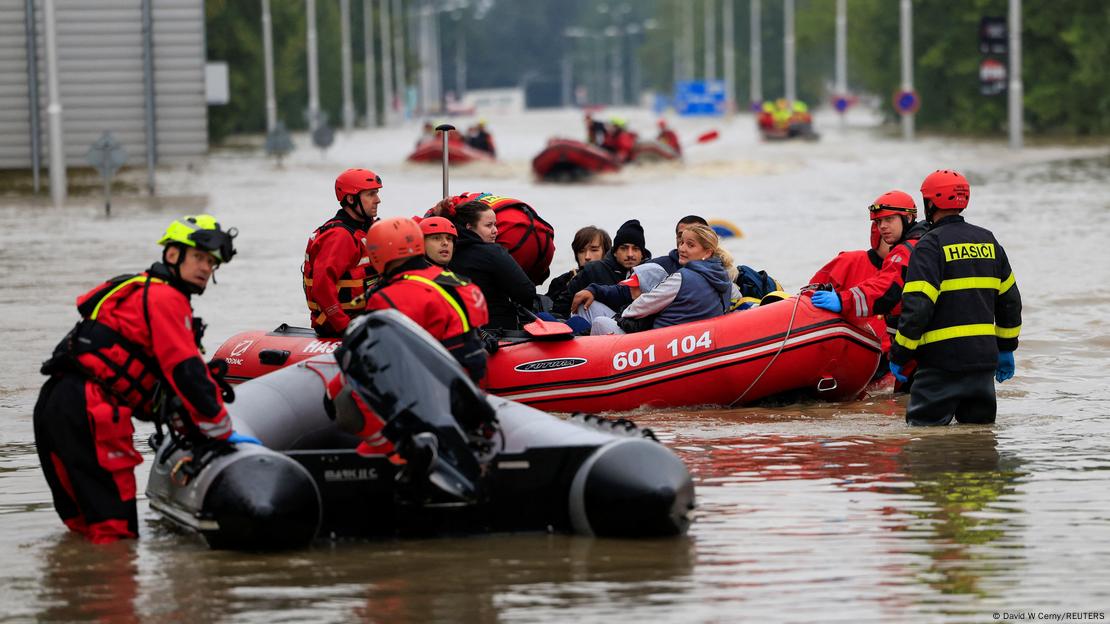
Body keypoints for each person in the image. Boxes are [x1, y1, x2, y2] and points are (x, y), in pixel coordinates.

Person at [33, 215, 256, 543]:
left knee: (84, 529)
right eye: (198, 257)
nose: (206, 268)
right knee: (115, 533)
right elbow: (186, 372)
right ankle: (116, 592)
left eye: (211, 262)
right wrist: (222, 429)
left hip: (53, 403)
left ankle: (79, 588)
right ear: (172, 255)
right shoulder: (167, 299)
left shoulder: (136, 289)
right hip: (91, 409)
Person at [889, 169, 1022, 426]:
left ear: (930, 203)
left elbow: (918, 307)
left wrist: (900, 354)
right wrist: (1006, 348)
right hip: (983, 364)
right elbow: (1010, 301)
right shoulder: (989, 241)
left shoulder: (929, 245)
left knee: (923, 441)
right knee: (979, 440)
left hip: (941, 365)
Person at [811, 190, 931, 385]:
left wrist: (842, 301)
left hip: (916, 356)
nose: (883, 227)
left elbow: (884, 291)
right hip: (919, 353)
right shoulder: (930, 244)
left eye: (889, 220)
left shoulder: (908, 252)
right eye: (878, 222)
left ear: (908, 217)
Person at [364, 217, 490, 381]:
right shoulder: (465, 284)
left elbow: (378, 358)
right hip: (470, 383)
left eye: (448, 239)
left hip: (426, 386)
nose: (445, 243)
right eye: (436, 238)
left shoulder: (385, 297)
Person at [585, 224, 734, 334]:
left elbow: (640, 307)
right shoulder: (725, 281)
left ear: (707, 253)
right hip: (696, 342)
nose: (682, 248)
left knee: (599, 320)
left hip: (659, 345)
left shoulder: (683, 277)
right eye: (681, 242)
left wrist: (624, 312)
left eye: (690, 245)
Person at [437, 196, 536, 331]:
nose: (496, 230)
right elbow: (526, 292)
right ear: (469, 227)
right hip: (498, 330)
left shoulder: (443, 253)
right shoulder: (492, 253)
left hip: (457, 329)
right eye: (489, 225)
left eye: (495, 224)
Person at [303, 168, 381, 337]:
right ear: (351, 199)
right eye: (370, 194)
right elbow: (322, 287)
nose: (378, 200)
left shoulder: (365, 228)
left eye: (376, 193)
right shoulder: (339, 237)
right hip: (340, 325)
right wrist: (346, 327)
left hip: (364, 318)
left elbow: (404, 234)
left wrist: (434, 214)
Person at [567, 219, 649, 296]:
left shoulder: (654, 274)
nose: (630, 254)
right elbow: (563, 303)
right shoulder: (592, 271)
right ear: (615, 252)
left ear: (642, 253)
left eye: (635, 249)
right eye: (624, 248)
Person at [545, 225, 611, 318]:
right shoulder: (561, 282)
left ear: (606, 252)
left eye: (594, 250)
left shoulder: (615, 282)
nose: (587, 256)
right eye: (581, 251)